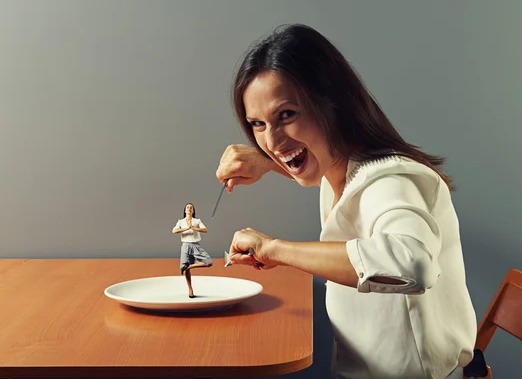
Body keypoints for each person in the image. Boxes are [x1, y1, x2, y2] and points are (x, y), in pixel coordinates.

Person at [216, 24, 477, 379]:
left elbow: (411, 263)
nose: (273, 140)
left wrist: (273, 249)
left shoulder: (390, 178)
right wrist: (267, 163)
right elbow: (338, 184)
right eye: (258, 124)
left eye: (286, 115)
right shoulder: (343, 166)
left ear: (331, 103)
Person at [172, 202, 212, 297]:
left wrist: (194, 228)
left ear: (193, 211)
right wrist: (186, 228)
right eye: (187, 207)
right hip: (185, 245)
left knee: (208, 262)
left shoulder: (197, 221)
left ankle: (189, 267)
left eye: (191, 207)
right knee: (185, 268)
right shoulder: (181, 222)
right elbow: (174, 231)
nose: (189, 208)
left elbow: (205, 230)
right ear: (185, 210)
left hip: (195, 245)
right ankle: (190, 289)